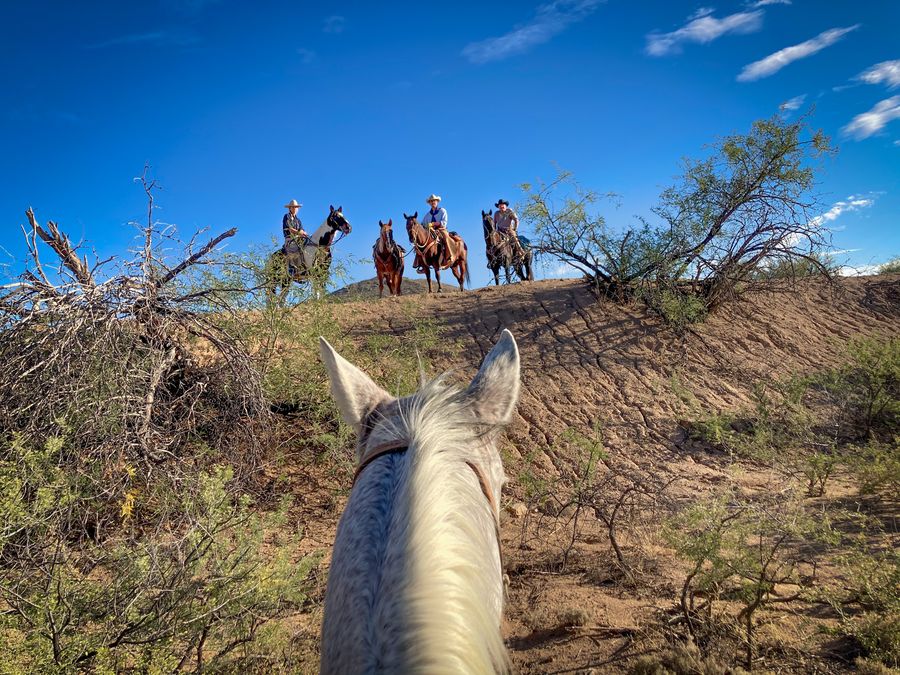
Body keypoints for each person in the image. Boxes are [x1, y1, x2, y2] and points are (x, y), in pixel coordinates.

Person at [421, 193, 454, 269]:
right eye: (431, 201)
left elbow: (444, 222)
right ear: (429, 203)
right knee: (420, 241)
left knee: (445, 236)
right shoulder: (427, 215)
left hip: (441, 230)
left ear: (437, 202)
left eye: (434, 201)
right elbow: (423, 225)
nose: (433, 202)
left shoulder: (442, 211)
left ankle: (449, 257)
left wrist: (433, 224)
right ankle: (421, 263)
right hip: (430, 232)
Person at [282, 199, 308, 276]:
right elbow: (289, 228)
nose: (294, 209)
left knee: (307, 245)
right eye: (293, 207)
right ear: (289, 208)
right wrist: (298, 232)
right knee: (292, 248)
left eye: (296, 207)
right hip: (289, 238)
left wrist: (304, 233)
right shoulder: (286, 216)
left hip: (298, 238)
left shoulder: (298, 220)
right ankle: (291, 267)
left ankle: (304, 265)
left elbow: (302, 229)